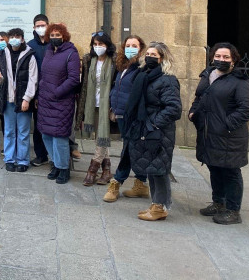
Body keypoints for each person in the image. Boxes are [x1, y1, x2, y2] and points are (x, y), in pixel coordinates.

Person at [190, 42, 249, 225]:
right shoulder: (208, 75)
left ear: (234, 60)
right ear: (212, 57)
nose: (221, 60)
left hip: (229, 136)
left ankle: (233, 210)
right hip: (208, 133)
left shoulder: (240, 82)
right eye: (218, 56)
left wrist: (226, 125)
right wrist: (193, 112)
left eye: (226, 57)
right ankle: (219, 202)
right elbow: (200, 96)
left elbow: (246, 108)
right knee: (214, 167)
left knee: (230, 172)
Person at [126, 41, 181, 221]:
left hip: (158, 131)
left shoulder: (168, 80)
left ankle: (160, 206)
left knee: (160, 169)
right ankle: (156, 204)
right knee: (151, 167)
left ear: (162, 58)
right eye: (147, 54)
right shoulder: (145, 75)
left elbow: (173, 108)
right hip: (146, 128)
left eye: (153, 55)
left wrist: (153, 124)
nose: (149, 57)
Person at [103, 35, 150, 202]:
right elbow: (119, 89)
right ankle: (141, 183)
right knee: (133, 147)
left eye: (134, 45)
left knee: (129, 148)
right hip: (122, 113)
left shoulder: (142, 68)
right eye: (128, 45)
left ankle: (117, 181)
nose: (130, 48)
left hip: (134, 116)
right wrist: (113, 107)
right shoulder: (123, 66)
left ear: (141, 48)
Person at [36, 23, 80, 184]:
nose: (55, 38)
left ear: (64, 36)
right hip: (46, 100)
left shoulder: (71, 53)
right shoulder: (49, 51)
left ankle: (64, 168)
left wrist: (57, 92)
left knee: (59, 136)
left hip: (61, 101)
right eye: (52, 35)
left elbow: (74, 78)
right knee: (46, 134)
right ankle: (55, 163)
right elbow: (44, 75)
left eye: (58, 35)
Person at [75, 32, 117, 186]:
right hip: (92, 104)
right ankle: (106, 171)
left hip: (107, 105)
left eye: (101, 44)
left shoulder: (114, 61)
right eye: (95, 44)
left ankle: (92, 170)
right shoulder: (89, 60)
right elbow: (85, 83)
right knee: (99, 137)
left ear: (108, 45)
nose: (98, 47)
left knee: (102, 137)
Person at [0, 28, 38, 171]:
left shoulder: (29, 55)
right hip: (8, 99)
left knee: (23, 132)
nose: (14, 38)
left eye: (17, 36)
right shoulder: (2, 54)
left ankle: (23, 161)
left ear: (22, 39)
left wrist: (27, 99)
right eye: (12, 36)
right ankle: (9, 159)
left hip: (23, 100)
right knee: (9, 131)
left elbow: (33, 80)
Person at [27, 14, 51, 167]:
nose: (41, 28)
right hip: (36, 92)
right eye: (38, 26)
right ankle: (40, 155)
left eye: (43, 25)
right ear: (34, 28)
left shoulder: (55, 44)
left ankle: (57, 156)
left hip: (53, 92)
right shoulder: (30, 45)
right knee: (38, 126)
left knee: (53, 126)